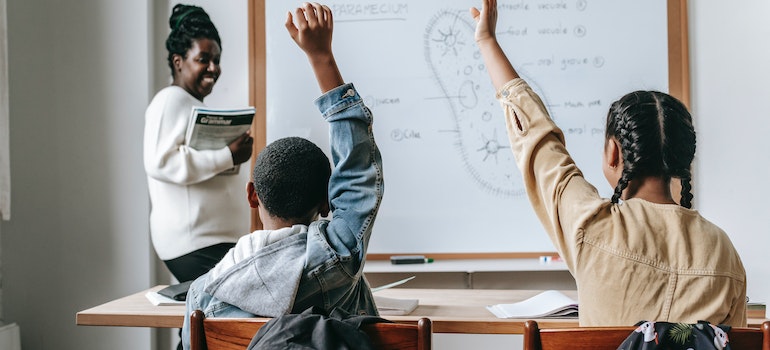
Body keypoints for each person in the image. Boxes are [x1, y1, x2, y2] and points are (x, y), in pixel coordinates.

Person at [470, 0, 746, 326]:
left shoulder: (591, 226)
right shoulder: (723, 253)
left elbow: (539, 142)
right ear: (684, 159)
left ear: (613, 153)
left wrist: (487, 41)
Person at [180, 3, 384, 348]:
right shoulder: (340, 258)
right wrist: (322, 57)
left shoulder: (203, 294)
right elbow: (357, 170)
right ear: (325, 202)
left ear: (252, 195)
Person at [143, 4, 253, 284]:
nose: (213, 68)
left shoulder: (189, 104)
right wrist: (228, 156)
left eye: (217, 60)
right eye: (203, 59)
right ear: (179, 61)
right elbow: (161, 162)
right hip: (195, 243)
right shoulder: (170, 100)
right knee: (223, 318)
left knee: (208, 317)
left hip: (213, 242)